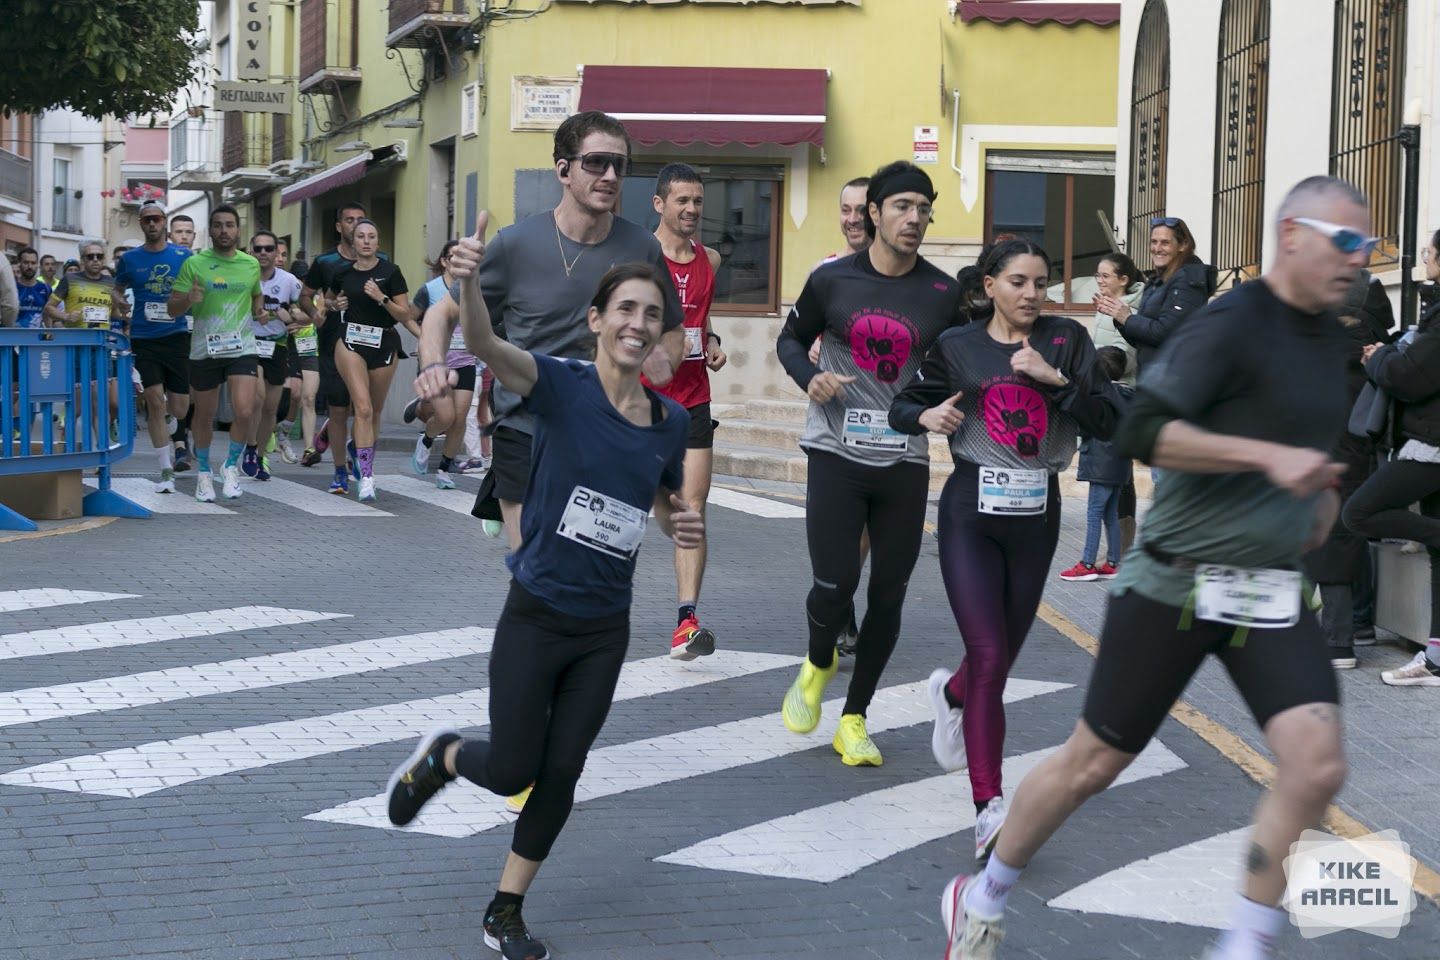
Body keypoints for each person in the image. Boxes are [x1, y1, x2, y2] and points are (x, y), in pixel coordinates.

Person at [938, 176, 1371, 960]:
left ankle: (1242, 943)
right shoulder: (1230, 324)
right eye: (1345, 243)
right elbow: (1141, 428)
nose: (1358, 261)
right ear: (1291, 237)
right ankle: (985, 890)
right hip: (1175, 580)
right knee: (1092, 763)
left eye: (1367, 247)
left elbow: (1310, 456)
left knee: (1316, 766)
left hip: (1267, 586)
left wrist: (1316, 505)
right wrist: (1265, 458)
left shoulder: (1332, 337)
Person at [392, 234, 702, 960]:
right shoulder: (562, 384)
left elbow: (652, 493)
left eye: (650, 313)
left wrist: (675, 516)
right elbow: (484, 343)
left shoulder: (672, 422)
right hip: (537, 613)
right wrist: (467, 284)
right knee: (513, 769)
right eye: (624, 307)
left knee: (562, 772)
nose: (637, 321)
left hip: (604, 628)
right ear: (596, 319)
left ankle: (506, 908)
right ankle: (443, 757)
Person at [889, 239, 1119, 854]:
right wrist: (925, 417)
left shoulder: (1067, 341)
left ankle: (951, 693)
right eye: (1017, 281)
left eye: (1041, 283)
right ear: (989, 285)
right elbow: (903, 404)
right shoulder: (958, 346)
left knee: (1001, 658)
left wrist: (1058, 381)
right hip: (971, 512)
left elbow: (1111, 421)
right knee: (989, 655)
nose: (1031, 294)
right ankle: (988, 807)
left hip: (1036, 516)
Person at [417, 110, 685, 549]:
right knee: (537, 568)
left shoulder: (642, 248)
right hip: (525, 428)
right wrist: (432, 365)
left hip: (605, 432)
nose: (611, 175)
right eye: (596, 162)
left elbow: (673, 328)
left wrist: (664, 359)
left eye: (620, 165)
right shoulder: (515, 244)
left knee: (592, 563)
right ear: (563, 169)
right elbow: (440, 314)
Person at [775, 161, 964, 767]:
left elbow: (967, 362)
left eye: (924, 208)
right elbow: (787, 339)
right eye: (903, 206)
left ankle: (854, 718)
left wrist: (939, 408)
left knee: (888, 594)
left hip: (903, 458)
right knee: (835, 583)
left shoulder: (943, 293)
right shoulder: (832, 281)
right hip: (835, 452)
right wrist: (811, 378)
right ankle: (818, 658)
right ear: (875, 213)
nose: (915, 219)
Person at [1342, 226, 1440, 687]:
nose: (1424, 259)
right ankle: (1436, 658)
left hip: (1430, 444)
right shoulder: (1433, 309)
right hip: (1428, 440)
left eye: (1428, 253)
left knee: (1359, 511)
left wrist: (1377, 358)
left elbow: (1411, 376)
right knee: (1438, 553)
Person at [645, 162, 728, 660]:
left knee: (693, 509)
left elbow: (701, 314)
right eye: (682, 201)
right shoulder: (637, 256)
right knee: (662, 508)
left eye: (697, 201)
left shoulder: (710, 260)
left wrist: (712, 340)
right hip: (642, 401)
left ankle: (686, 620)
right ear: (659, 203)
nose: (692, 209)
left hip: (694, 397)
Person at [808, 176, 875, 657]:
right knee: (837, 522)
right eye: (845, 209)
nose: (852, 219)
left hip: (884, 421)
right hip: (834, 418)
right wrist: (813, 361)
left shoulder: (906, 278)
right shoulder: (827, 271)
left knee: (866, 525)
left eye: (860, 210)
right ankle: (839, 604)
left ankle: (842, 596)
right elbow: (799, 338)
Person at [167, 205, 263, 504]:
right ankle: (205, 473)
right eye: (218, 225)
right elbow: (172, 308)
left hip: (241, 347)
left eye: (230, 225)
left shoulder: (250, 264)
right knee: (205, 416)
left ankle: (230, 465)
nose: (224, 231)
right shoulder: (195, 264)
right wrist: (188, 299)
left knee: (245, 410)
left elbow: (256, 292)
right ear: (211, 231)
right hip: (204, 349)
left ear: (238, 230)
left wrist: (259, 309)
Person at [329, 218, 414, 502]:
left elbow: (404, 314)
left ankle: (362, 454)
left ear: (378, 242)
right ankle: (366, 476)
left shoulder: (391, 272)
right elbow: (327, 301)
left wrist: (382, 298)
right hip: (351, 341)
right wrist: (334, 305)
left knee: (374, 412)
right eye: (361, 236)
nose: (366, 241)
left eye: (372, 236)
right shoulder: (342, 274)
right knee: (362, 408)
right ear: (353, 242)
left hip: (384, 343)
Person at [113, 201, 194, 493]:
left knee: (180, 407)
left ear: (164, 222)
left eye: (157, 219)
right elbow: (117, 288)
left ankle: (174, 421)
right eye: (146, 219)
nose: (151, 224)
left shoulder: (184, 256)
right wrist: (118, 300)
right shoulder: (130, 259)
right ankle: (165, 470)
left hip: (176, 336)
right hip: (145, 337)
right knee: (154, 401)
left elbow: (197, 287)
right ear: (141, 223)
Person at [300, 201, 373, 492]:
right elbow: (306, 296)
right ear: (339, 226)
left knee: (365, 409)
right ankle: (340, 470)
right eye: (349, 219)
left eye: (360, 219)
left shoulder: (379, 260)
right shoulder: (326, 263)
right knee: (341, 409)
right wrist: (319, 311)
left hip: (369, 344)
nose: (355, 225)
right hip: (333, 343)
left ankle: (357, 448)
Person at [1094, 216, 1217, 376]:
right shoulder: (1156, 283)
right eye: (1154, 242)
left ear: (1183, 245)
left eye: (1165, 242)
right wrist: (1120, 318)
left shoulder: (1188, 281)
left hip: (1175, 383)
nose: (1157, 248)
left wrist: (1127, 319)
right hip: (1154, 381)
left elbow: (1167, 333)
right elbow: (1144, 342)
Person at [1058, 346, 1133, 581]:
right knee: (1110, 515)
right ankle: (1112, 562)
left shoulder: (1098, 396)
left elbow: (1084, 423)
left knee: (1093, 514)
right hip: (1120, 464)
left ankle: (1087, 564)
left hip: (1100, 462)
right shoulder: (1130, 396)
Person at [408, 240, 477, 490]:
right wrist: (426, 337)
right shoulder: (430, 289)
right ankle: (426, 439)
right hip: (438, 363)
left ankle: (444, 470)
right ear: (445, 261)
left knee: (459, 420)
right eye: (453, 257)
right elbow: (409, 317)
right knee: (445, 416)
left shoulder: (473, 288)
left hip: (465, 361)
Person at [245, 230, 304, 482]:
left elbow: (308, 312)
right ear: (251, 252)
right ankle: (248, 450)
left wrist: (292, 319)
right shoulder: (244, 276)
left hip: (277, 346)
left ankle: (259, 456)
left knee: (270, 408)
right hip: (248, 344)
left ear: (275, 252)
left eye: (268, 249)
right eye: (258, 249)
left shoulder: (289, 280)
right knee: (256, 398)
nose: (263, 254)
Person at [45, 241, 120, 330]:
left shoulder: (111, 282)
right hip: (76, 338)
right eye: (90, 256)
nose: (95, 260)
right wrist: (66, 316)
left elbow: (115, 312)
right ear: (82, 260)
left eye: (99, 256)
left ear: (103, 260)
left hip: (102, 339)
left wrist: (125, 313)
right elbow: (48, 308)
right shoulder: (70, 279)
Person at [13, 247, 51, 329]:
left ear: (37, 265)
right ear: (19, 263)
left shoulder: (46, 288)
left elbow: (48, 316)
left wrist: (51, 337)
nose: (30, 266)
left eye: (33, 263)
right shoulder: (11, 288)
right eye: (26, 262)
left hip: (37, 339)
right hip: (14, 339)